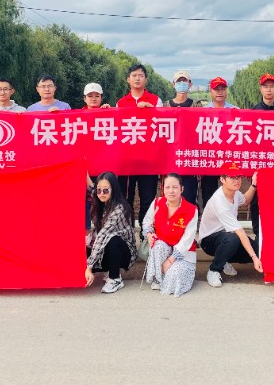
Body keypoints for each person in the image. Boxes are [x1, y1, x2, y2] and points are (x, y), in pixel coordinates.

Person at [199, 161, 262, 287]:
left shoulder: (235, 192)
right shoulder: (219, 201)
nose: (236, 180)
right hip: (209, 240)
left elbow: (245, 201)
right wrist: (254, 258)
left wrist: (254, 184)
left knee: (258, 251)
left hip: (227, 236)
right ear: (222, 179)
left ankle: (224, 259)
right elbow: (240, 231)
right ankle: (214, 270)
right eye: (232, 177)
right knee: (233, 239)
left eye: (238, 177)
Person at [116, 63, 163, 228]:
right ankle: (126, 233)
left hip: (149, 161)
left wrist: (152, 111)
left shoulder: (155, 101)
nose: (137, 79)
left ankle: (146, 234)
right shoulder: (121, 103)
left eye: (140, 75)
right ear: (128, 80)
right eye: (134, 75)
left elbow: (164, 126)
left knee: (147, 200)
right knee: (125, 200)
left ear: (146, 80)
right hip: (127, 162)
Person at [141, 173, 198, 297]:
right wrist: (149, 234)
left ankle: (168, 273)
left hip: (182, 253)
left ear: (182, 189)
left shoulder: (192, 210)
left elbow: (187, 240)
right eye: (167, 187)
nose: (171, 191)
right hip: (164, 248)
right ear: (163, 189)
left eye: (175, 187)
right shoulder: (157, 203)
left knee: (173, 279)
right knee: (158, 245)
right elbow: (147, 222)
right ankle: (158, 278)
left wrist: (170, 260)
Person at [85, 172, 137, 293]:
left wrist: (89, 267)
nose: (101, 193)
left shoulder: (120, 208)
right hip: (105, 248)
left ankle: (115, 278)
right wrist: (83, 171)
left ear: (113, 189)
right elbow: (91, 187)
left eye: (106, 190)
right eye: (99, 190)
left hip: (124, 253)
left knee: (113, 240)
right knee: (84, 247)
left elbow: (103, 235)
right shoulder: (99, 198)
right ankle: (107, 270)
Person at [249, 73, 274, 242]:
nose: (269, 90)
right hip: (259, 163)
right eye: (265, 86)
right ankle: (258, 234)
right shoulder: (253, 112)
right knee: (256, 200)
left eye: (272, 86)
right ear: (261, 89)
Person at [201, 76, 237, 208]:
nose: (219, 92)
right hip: (209, 158)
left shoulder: (235, 111)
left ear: (226, 91)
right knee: (208, 193)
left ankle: (229, 218)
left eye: (222, 89)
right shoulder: (203, 112)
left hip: (228, 158)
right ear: (211, 91)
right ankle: (209, 218)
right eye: (216, 89)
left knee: (229, 193)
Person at [167, 70, 200, 206]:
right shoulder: (166, 106)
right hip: (171, 159)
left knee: (189, 196)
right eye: (179, 81)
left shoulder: (197, 106)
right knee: (171, 195)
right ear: (173, 84)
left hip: (189, 158)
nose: (181, 84)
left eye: (184, 81)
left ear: (190, 84)